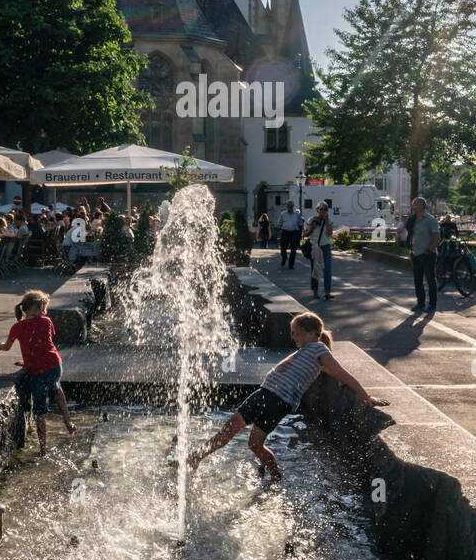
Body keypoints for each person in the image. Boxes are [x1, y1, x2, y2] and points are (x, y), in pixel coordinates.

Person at [187, 312, 389, 481]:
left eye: (297, 333)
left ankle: (276, 477)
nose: (294, 337)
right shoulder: (306, 350)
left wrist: (366, 396)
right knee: (230, 429)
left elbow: (341, 371)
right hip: (263, 394)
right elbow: (327, 371)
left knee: (254, 443)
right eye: (293, 333)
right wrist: (337, 377)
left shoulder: (318, 348)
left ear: (312, 333)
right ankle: (196, 457)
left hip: (278, 402)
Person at [0, 290, 76, 456]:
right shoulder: (46, 322)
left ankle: (43, 449)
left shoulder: (17, 327)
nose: (45, 311)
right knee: (56, 387)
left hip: (37, 372)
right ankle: (68, 421)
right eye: (44, 307)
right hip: (55, 366)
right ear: (38, 308)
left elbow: (8, 347)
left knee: (40, 413)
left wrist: (1, 346)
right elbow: (44, 344)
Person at [406, 196, 440, 312]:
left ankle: (432, 304)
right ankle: (420, 303)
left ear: (422, 206)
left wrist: (429, 250)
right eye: (413, 204)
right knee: (417, 280)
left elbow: (437, 238)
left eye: (415, 204)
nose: (413, 206)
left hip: (428, 254)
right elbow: (410, 234)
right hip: (415, 254)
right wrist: (410, 247)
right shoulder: (412, 219)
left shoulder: (430, 220)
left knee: (430, 279)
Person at [304, 201, 334, 299]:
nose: (323, 211)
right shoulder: (311, 219)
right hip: (315, 247)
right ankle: (315, 291)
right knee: (315, 270)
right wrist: (312, 228)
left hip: (325, 247)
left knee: (327, 270)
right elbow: (305, 234)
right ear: (317, 210)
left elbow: (329, 233)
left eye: (325, 209)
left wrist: (326, 221)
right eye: (321, 209)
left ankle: (327, 292)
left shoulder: (329, 220)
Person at [276, 199, 303, 269]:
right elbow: (279, 224)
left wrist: (300, 234)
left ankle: (291, 264)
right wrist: (278, 233)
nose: (289, 207)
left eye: (291, 205)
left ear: (293, 206)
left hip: (294, 233)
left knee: (293, 250)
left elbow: (300, 224)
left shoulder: (297, 214)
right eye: (288, 205)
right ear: (286, 206)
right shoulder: (283, 214)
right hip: (285, 232)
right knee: (283, 249)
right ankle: (284, 258)